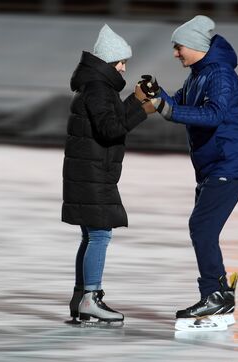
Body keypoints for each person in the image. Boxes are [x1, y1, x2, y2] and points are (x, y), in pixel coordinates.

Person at [138, 15, 238, 330]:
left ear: (194, 46)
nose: (175, 53)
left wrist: (169, 109)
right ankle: (218, 292)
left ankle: (216, 296)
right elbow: (176, 103)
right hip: (214, 165)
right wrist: (156, 94)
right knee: (202, 229)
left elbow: (213, 114)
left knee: (201, 228)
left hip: (229, 163)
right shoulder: (199, 74)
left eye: (178, 47)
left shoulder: (219, 74)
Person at [62, 24, 154, 324]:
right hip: (94, 174)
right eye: (121, 62)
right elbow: (111, 128)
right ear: (108, 62)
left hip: (89, 172)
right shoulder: (100, 89)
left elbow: (109, 122)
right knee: (100, 235)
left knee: (91, 235)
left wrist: (138, 101)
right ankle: (90, 297)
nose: (124, 68)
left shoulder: (93, 87)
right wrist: (142, 106)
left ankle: (81, 298)